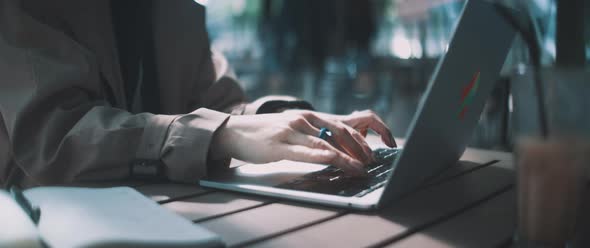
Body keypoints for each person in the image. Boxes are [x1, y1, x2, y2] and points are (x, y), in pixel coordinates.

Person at [0, 0, 395, 188]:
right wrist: (222, 133)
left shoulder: (175, 10)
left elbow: (219, 105)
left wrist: (298, 122)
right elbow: (53, 139)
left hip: (169, 215)